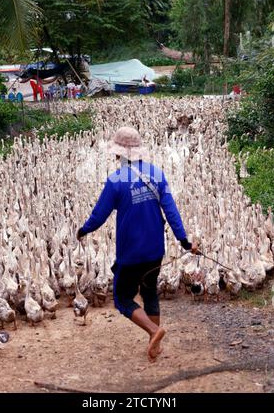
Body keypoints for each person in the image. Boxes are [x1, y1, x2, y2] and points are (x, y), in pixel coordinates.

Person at [76, 127, 198, 363]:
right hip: (155, 251)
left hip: (131, 253)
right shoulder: (157, 174)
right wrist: (183, 240)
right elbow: (171, 211)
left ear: (120, 154)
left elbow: (99, 215)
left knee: (122, 299)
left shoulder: (115, 181)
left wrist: (84, 230)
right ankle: (155, 346)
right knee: (150, 291)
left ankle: (153, 332)